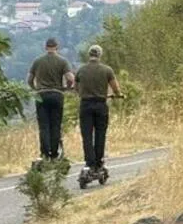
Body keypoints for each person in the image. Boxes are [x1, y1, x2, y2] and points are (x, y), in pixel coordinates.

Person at [74, 44, 122, 173]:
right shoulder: (107, 70)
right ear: (99, 55)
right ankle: (99, 162)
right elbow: (115, 88)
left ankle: (89, 163)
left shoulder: (81, 70)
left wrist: (82, 94)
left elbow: (76, 87)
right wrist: (118, 94)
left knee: (87, 135)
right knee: (100, 133)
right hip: (101, 104)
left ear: (89, 55)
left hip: (85, 105)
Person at [27, 37, 74, 162]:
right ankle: (54, 153)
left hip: (41, 95)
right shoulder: (62, 61)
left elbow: (29, 80)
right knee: (55, 125)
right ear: (57, 47)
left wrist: (35, 89)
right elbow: (70, 78)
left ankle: (44, 153)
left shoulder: (37, 61)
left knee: (44, 126)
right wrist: (66, 88)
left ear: (46, 47)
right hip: (56, 95)